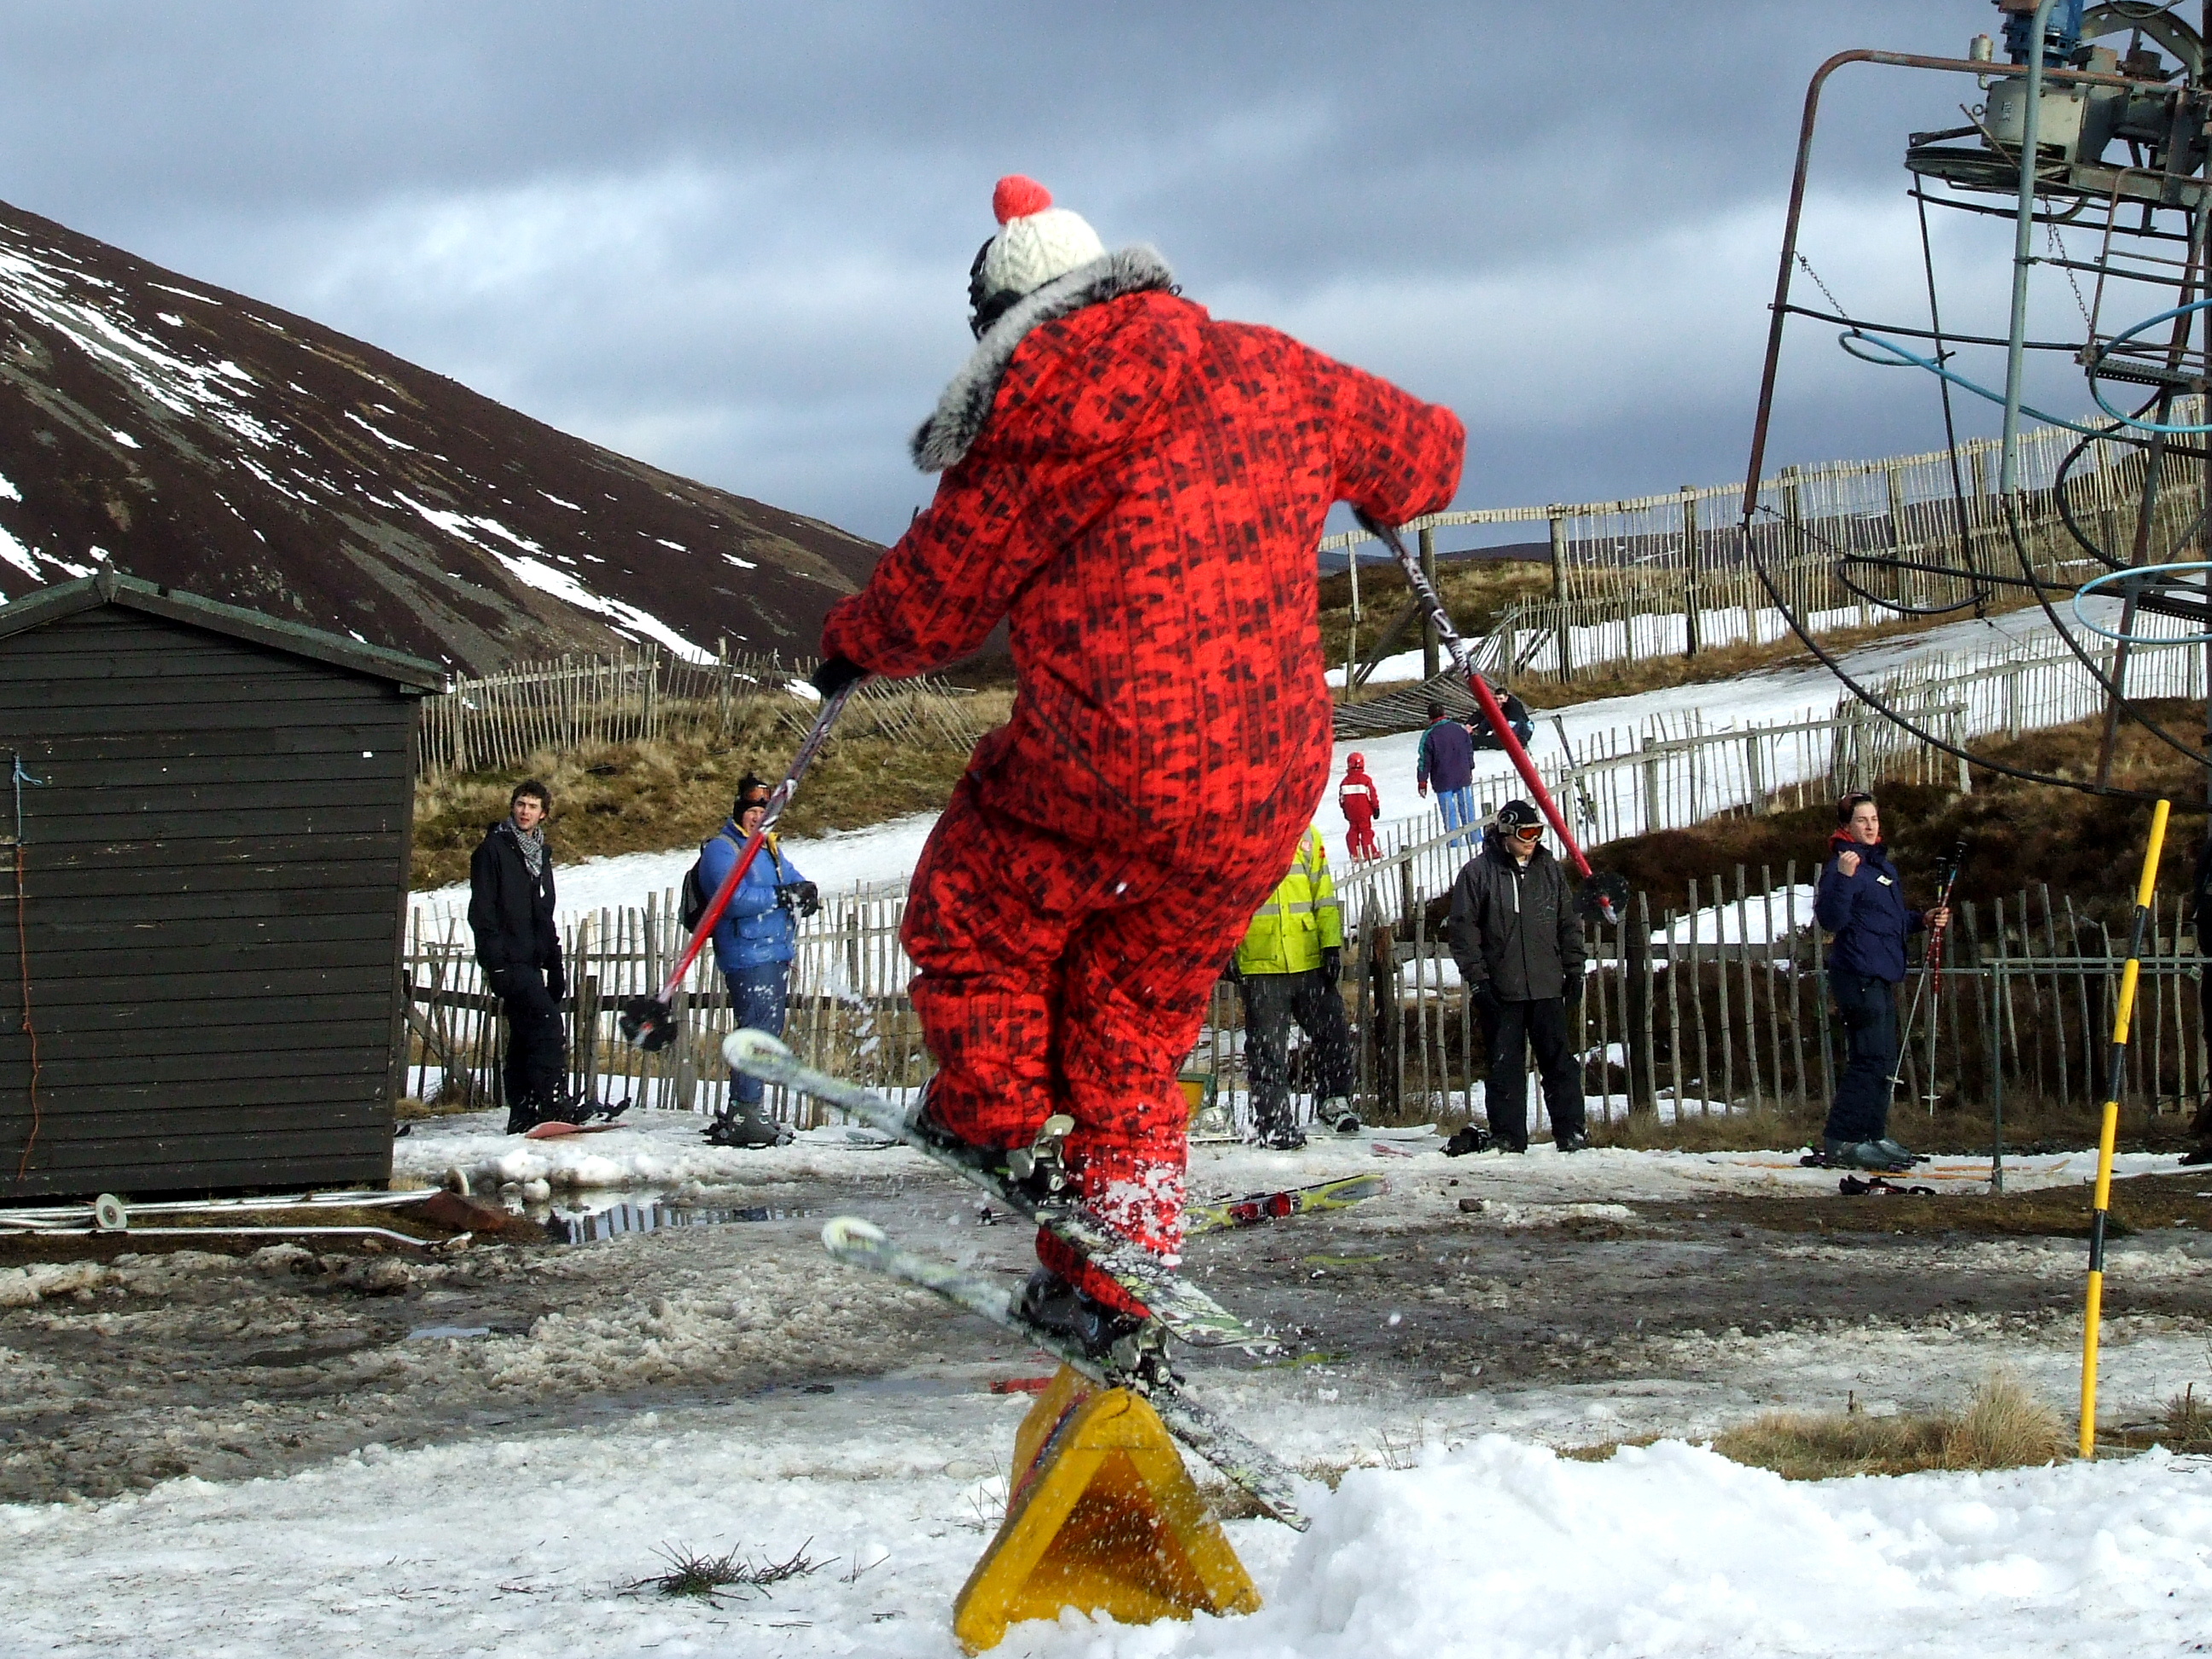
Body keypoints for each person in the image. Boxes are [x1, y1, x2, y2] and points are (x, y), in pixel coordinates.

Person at [810, 174, 1464, 1353]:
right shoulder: (1271, 366)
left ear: (1004, 315)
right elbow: (1432, 453)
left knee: (972, 906)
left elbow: (937, 603)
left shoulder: (1033, 415)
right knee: (1133, 1022)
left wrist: (852, 645)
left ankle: (996, 1117)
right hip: (1266, 783)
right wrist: (1377, 487)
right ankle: (1114, 1279)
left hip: (1115, 758)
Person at [1442, 800, 1588, 1154]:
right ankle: (1508, 1136)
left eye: (1537, 832)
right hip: (1501, 988)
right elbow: (1463, 931)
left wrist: (1573, 970)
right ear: (1506, 833)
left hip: (1546, 985)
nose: (1532, 840)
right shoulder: (1478, 873)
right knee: (1505, 1066)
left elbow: (1567, 923)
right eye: (1525, 833)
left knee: (1559, 1063)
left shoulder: (1549, 870)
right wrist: (1478, 981)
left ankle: (1571, 1132)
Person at [1813, 792, 1950, 1172]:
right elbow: (1831, 919)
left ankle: (1872, 1133)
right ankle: (1843, 1138)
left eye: (1874, 819)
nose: (1871, 826)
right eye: (1862, 820)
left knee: (1884, 1059)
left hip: (1882, 974)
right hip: (1856, 974)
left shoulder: (1882, 870)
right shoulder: (1844, 866)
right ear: (1846, 827)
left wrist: (1922, 920)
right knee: (1868, 1057)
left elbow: (1887, 921)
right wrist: (1843, 877)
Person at [699, 773, 819, 1149]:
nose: (757, 818)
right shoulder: (723, 850)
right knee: (756, 1031)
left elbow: (793, 881)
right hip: (747, 953)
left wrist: (806, 892)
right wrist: (782, 897)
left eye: (763, 812)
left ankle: (750, 1107)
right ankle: (744, 1113)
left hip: (774, 951)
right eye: (751, 811)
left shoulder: (769, 848)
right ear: (740, 812)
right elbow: (731, 900)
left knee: (767, 1032)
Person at [1226, 825, 1360, 1150]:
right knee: (1267, 1048)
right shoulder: (1235, 836)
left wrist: (1330, 946)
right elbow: (1222, 899)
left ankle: (1335, 1102)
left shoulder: (1309, 835)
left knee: (1334, 1031)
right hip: (1259, 961)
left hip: (1309, 959)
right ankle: (1274, 1123)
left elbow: (1324, 895)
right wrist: (1225, 950)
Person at [469, 780, 567, 1134]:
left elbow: (544, 914)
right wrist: (494, 961)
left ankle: (522, 1112)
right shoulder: (492, 851)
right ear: (512, 807)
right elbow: (482, 913)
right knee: (547, 1026)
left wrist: (555, 965)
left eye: (533, 806)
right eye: (520, 804)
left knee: (525, 1035)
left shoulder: (540, 855)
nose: (525, 811)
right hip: (507, 960)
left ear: (544, 814)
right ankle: (550, 1104)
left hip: (531, 959)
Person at [1416, 702, 1477, 844]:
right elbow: (1469, 750)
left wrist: (1422, 781)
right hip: (1463, 775)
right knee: (1468, 810)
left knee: (1450, 814)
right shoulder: (1459, 729)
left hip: (1442, 779)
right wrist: (1470, 768)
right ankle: (1475, 839)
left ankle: (1454, 842)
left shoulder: (1429, 735)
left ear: (1429, 717)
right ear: (1444, 713)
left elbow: (1424, 761)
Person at [1338, 753, 1382, 860]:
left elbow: (1341, 798)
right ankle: (1369, 852)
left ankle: (1355, 854)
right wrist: (1376, 807)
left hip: (1351, 812)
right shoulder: (1365, 780)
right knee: (1366, 831)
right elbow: (1372, 795)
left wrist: (1344, 810)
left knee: (1353, 831)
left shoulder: (1345, 782)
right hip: (1364, 811)